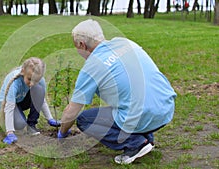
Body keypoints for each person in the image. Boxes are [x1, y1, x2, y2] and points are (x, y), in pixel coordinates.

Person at [57, 19, 177, 164]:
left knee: (84, 119)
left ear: (81, 45)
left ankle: (136, 143)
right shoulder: (125, 42)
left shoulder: (92, 67)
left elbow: (72, 111)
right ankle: (147, 138)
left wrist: (62, 133)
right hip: (165, 108)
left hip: (141, 114)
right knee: (128, 100)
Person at [0, 57, 60, 144]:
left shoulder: (40, 80)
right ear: (23, 72)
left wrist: (50, 118)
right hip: (8, 104)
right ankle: (17, 120)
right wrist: (9, 132)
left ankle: (31, 125)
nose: (32, 83)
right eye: (29, 79)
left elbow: (41, 99)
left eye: (35, 80)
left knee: (38, 89)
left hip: (22, 99)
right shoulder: (15, 83)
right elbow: (9, 108)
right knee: (20, 124)